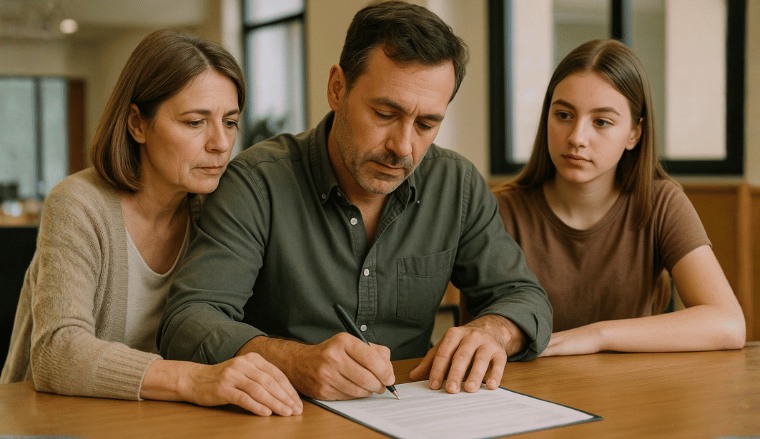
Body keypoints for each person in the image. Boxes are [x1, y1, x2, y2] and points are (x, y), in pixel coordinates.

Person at [158, 1, 552, 401]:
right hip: (287, 412)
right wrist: (293, 361)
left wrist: (494, 331)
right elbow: (188, 321)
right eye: (385, 114)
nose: (403, 147)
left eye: (426, 124)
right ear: (337, 88)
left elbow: (525, 297)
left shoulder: (456, 184)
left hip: (416, 410)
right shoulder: (257, 183)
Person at [0, 29, 302, 417]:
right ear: (137, 124)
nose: (221, 143)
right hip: (49, 420)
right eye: (195, 122)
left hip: (159, 420)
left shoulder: (219, 211)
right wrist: (195, 379)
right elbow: (58, 352)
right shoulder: (78, 204)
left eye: (229, 122)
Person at [493, 39, 746, 356]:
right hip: (523, 385)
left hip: (632, 384)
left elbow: (728, 323)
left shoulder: (660, 202)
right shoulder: (500, 210)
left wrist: (596, 336)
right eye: (564, 115)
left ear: (634, 134)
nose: (577, 138)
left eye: (601, 122)